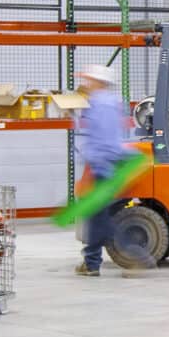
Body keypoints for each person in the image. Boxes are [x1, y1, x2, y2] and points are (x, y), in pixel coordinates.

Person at [73, 63, 132, 277]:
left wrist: (97, 162)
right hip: (107, 162)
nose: (86, 83)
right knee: (96, 216)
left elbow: (102, 137)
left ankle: (136, 256)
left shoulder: (98, 104)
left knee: (101, 219)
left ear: (98, 82)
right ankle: (90, 262)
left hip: (102, 165)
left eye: (89, 80)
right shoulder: (111, 102)